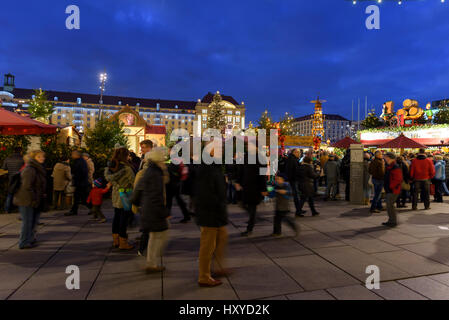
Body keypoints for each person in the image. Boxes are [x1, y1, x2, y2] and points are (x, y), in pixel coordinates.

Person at [131, 147, 170, 273]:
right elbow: (156, 195)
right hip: (154, 209)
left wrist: (136, 202)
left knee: (154, 236)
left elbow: (138, 189)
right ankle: (151, 262)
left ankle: (151, 263)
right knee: (161, 235)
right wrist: (164, 213)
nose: (164, 161)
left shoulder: (150, 171)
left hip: (148, 207)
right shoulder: (155, 173)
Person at [194, 145, 228, 287]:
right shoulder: (206, 169)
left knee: (222, 237)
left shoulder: (214, 167)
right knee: (208, 245)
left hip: (216, 212)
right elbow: (205, 194)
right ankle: (204, 276)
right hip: (210, 213)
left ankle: (217, 267)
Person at [13, 150, 47, 249]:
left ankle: (30, 239)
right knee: (27, 221)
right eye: (39, 157)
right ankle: (23, 242)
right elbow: (27, 186)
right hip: (27, 199)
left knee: (33, 221)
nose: (42, 158)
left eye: (43, 157)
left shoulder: (37, 168)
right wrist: (34, 197)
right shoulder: (30, 169)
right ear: (33, 158)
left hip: (34, 198)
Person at [105, 147, 136, 250]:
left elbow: (110, 179)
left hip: (116, 193)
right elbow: (133, 181)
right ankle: (123, 242)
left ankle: (116, 240)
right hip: (125, 194)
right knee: (124, 218)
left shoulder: (111, 167)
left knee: (117, 216)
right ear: (125, 156)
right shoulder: (127, 168)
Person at [236, 143, 268, 236]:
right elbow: (241, 170)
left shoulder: (261, 158)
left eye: (250, 145)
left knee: (252, 207)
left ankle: (249, 228)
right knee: (243, 204)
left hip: (255, 187)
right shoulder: (246, 157)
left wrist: (263, 188)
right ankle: (253, 218)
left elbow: (263, 175)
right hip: (246, 186)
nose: (247, 147)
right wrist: (238, 182)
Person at [166, 151, 192, 223]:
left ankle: (167, 216)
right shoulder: (181, 162)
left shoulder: (174, 163)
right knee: (179, 201)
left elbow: (171, 172)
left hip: (172, 184)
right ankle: (186, 215)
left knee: (169, 201)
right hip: (176, 184)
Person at [66, 150, 90, 216]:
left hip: (81, 183)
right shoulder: (81, 161)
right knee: (78, 198)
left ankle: (93, 209)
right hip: (81, 183)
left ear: (77, 155)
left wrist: (76, 178)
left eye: (73, 154)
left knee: (83, 198)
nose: (71, 156)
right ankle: (74, 210)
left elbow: (80, 172)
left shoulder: (79, 162)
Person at [382, 153, 403, 227]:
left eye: (385, 157)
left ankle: (393, 221)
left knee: (390, 205)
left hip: (393, 190)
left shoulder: (395, 167)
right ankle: (391, 220)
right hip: (390, 189)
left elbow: (398, 179)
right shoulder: (390, 166)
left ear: (389, 158)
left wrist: (391, 186)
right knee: (389, 206)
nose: (384, 158)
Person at [2, 147, 24, 213]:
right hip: (20, 178)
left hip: (11, 178)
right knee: (21, 195)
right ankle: (21, 210)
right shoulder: (23, 159)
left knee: (10, 194)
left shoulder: (7, 159)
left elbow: (4, 168)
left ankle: (7, 209)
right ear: (20, 151)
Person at [286, 149, 303, 215]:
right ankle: (298, 210)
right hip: (293, 179)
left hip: (294, 179)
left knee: (296, 195)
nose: (299, 154)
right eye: (298, 152)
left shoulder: (293, 159)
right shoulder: (292, 159)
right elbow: (291, 170)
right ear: (294, 152)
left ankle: (299, 209)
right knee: (296, 195)